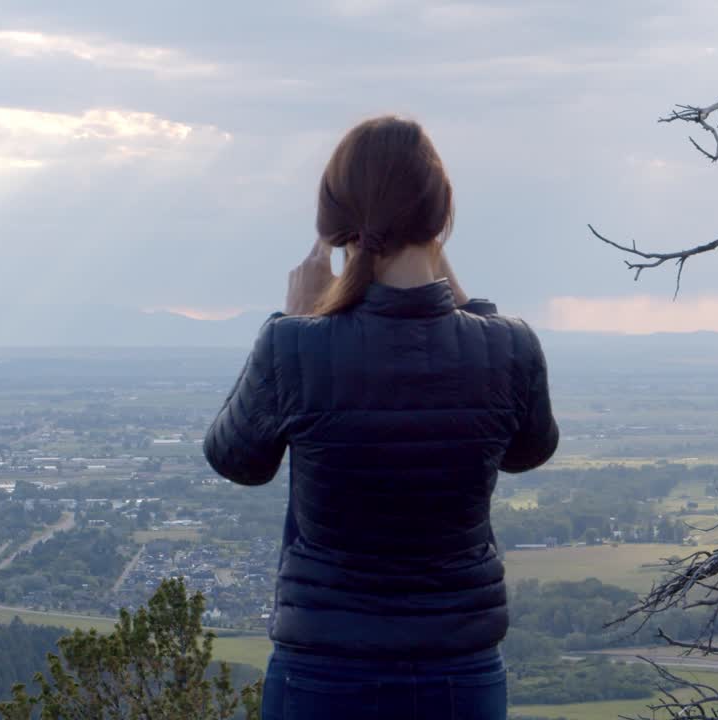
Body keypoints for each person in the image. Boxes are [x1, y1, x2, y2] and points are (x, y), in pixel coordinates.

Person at [203, 115, 559, 720]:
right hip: (460, 671)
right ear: (440, 217)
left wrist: (291, 319)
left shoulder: (296, 347)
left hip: (324, 671)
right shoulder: (509, 347)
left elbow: (237, 460)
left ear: (336, 224)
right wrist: (457, 287)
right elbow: (529, 450)